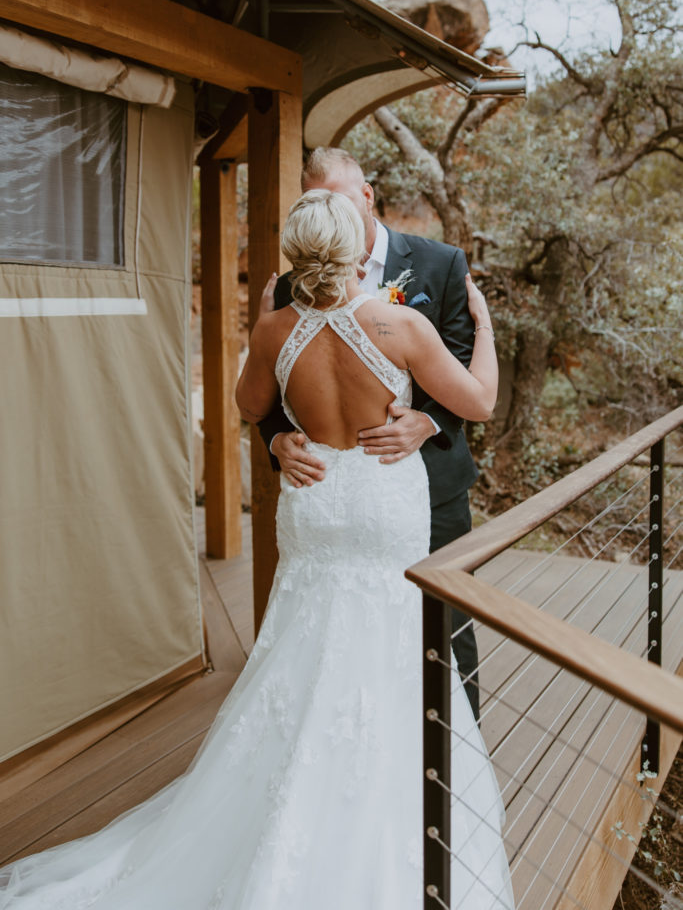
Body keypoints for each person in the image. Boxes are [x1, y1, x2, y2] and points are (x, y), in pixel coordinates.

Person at [0, 191, 512, 910]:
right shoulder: (400, 324)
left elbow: (247, 404)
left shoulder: (275, 329)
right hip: (379, 501)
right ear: (354, 248)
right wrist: (482, 327)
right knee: (390, 641)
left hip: (315, 499)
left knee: (300, 646)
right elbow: (478, 401)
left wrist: (281, 434)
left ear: (297, 254)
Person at [258, 147, 482, 720]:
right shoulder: (292, 287)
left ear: (367, 196)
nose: (330, 209)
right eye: (316, 200)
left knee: (445, 624)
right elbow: (273, 394)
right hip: (328, 485)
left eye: (337, 197)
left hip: (427, 483)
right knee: (323, 633)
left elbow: (454, 371)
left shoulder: (442, 262)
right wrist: (278, 437)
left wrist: (428, 421)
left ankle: (457, 748)